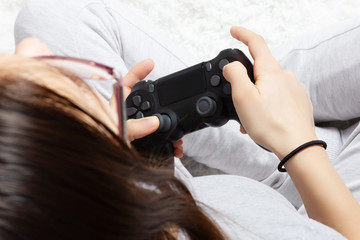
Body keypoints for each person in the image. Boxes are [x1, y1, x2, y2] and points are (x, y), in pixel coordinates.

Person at [5, 0, 360, 239]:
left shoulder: (77, 204)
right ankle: (283, 117)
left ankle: (264, 114)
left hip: (238, 172)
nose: (31, 49)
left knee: (53, 12)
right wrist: (299, 144)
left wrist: (134, 163)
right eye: (34, 83)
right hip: (326, 211)